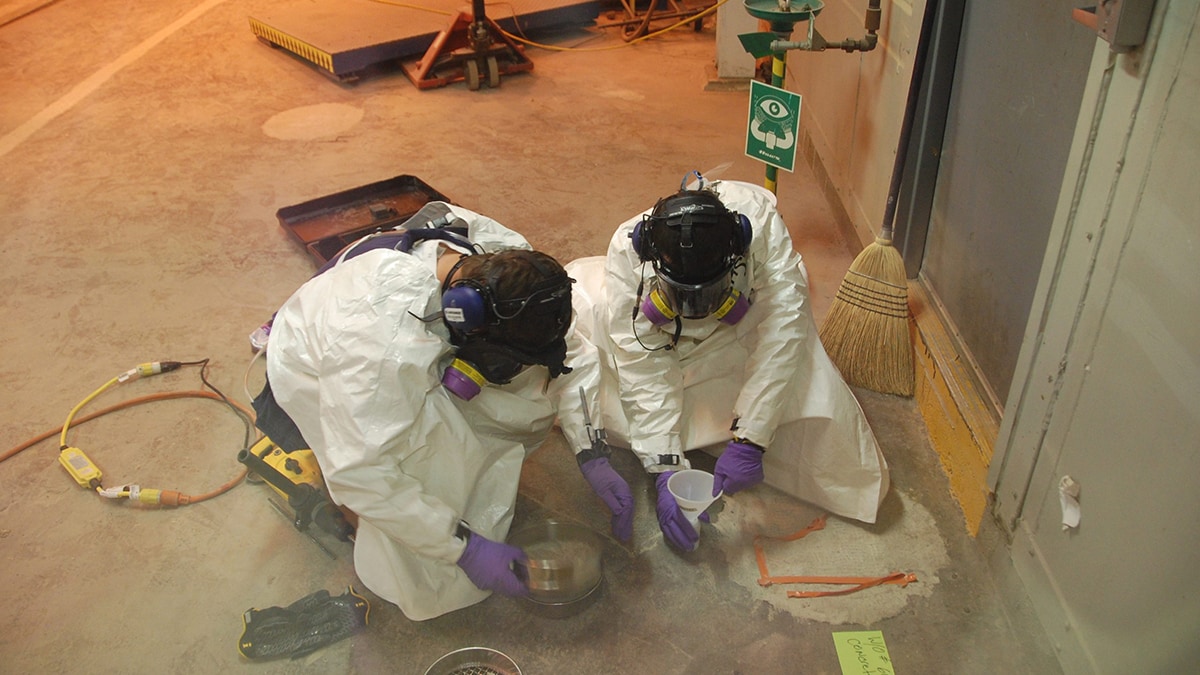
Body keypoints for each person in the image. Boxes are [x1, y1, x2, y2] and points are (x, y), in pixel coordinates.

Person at [258, 201, 629, 621]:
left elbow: (570, 353)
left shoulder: (514, 272)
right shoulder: (377, 349)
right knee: (422, 459)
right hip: (316, 364)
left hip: (412, 339)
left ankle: (459, 494)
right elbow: (360, 471)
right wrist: (462, 547)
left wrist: (591, 449)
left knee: (523, 401)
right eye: (503, 360)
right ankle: (412, 553)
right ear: (462, 318)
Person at [553, 177, 889, 552]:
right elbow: (642, 362)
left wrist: (752, 438)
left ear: (737, 254)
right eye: (681, 294)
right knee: (596, 338)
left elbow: (781, 336)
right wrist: (663, 464)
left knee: (812, 412)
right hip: (665, 341)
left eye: (707, 293)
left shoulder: (759, 229)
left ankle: (729, 426)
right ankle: (680, 436)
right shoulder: (630, 250)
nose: (697, 307)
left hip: (739, 330)